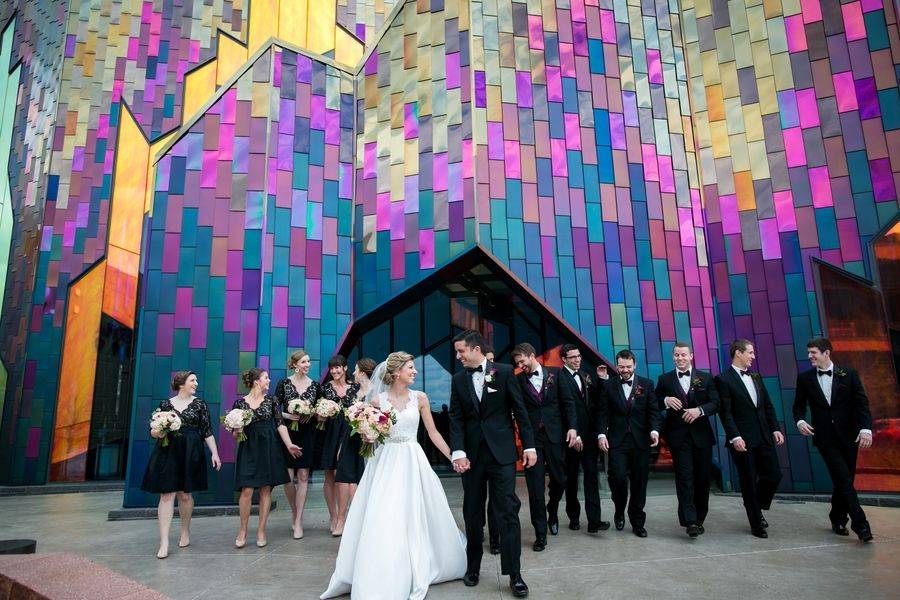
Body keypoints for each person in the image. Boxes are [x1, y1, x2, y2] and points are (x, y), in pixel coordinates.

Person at [321, 352, 466, 599]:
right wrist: (369, 434)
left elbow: (432, 433)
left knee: (416, 511)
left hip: (413, 459)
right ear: (397, 372)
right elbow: (373, 433)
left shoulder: (420, 398)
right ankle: (386, 566)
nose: (415, 372)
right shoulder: (377, 400)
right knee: (386, 512)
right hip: (385, 462)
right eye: (411, 368)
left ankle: (418, 562)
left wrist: (453, 455)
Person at [449, 330, 536, 598]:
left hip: (502, 456)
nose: (458, 356)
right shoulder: (458, 380)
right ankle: (472, 566)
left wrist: (530, 446)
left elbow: (520, 410)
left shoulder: (505, 371)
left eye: (461, 351)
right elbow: (456, 418)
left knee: (507, 513)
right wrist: (458, 452)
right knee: (472, 514)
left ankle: (515, 574)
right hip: (472, 459)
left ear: (475, 349)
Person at [793, 337, 874, 542]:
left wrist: (866, 429)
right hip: (825, 438)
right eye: (809, 352)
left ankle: (837, 517)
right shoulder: (805, 378)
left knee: (844, 480)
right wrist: (801, 422)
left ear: (826, 353)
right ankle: (860, 524)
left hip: (850, 436)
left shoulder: (849, 374)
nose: (809, 356)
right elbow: (798, 407)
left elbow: (861, 403)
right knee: (843, 478)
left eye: (813, 353)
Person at [141, 371, 221, 559]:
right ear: (181, 383)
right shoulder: (165, 404)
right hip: (168, 451)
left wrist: (215, 453)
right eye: (193, 380)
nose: (196, 383)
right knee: (167, 494)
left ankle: (185, 530)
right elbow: (154, 431)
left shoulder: (200, 405)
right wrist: (158, 432)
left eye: (196, 380)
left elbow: (207, 431)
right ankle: (164, 542)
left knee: (185, 495)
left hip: (191, 451)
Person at [511, 342, 578, 550]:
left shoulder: (556, 374)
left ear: (532, 356)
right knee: (535, 488)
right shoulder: (518, 381)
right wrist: (526, 443)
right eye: (517, 363)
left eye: (522, 361)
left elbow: (568, 403)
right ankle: (540, 534)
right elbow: (520, 411)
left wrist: (573, 427)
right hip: (532, 441)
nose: (520, 365)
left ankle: (553, 507)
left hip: (555, 436)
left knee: (560, 480)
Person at [715, 340, 784, 538]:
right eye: (751, 353)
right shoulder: (723, 379)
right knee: (748, 480)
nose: (753, 356)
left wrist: (775, 428)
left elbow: (767, 406)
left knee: (774, 474)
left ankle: (756, 504)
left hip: (764, 436)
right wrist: (734, 436)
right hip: (742, 440)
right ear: (738, 353)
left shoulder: (756, 376)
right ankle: (756, 522)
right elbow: (725, 413)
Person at [654, 342, 719, 537]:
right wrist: (664, 401)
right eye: (676, 355)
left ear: (691, 356)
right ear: (672, 357)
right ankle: (689, 521)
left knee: (702, 479)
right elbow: (654, 402)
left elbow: (715, 403)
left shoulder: (705, 378)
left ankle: (699, 518)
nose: (680, 358)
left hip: (702, 437)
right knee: (684, 478)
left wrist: (699, 411)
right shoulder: (664, 379)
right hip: (678, 437)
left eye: (683, 355)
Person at [232, 368, 302, 548]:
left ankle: (262, 530)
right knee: (246, 490)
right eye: (266, 378)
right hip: (249, 448)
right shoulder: (239, 404)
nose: (269, 381)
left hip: (269, 446)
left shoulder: (271, 400)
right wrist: (236, 430)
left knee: (265, 490)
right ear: (257, 381)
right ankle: (243, 530)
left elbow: (280, 424)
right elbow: (235, 434)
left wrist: (289, 445)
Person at [596, 349, 660, 537]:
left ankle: (637, 521)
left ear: (635, 365)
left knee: (640, 483)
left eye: (628, 367)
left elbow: (653, 412)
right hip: (617, 441)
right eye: (621, 367)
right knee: (618, 477)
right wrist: (601, 434)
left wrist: (654, 430)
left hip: (641, 441)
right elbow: (602, 412)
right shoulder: (609, 386)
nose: (624, 370)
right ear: (616, 366)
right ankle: (619, 509)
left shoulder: (647, 385)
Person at [557, 344, 608, 533]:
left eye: (578, 356)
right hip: (570, 437)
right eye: (572, 357)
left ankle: (594, 521)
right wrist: (574, 432)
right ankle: (574, 517)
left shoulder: (586, 375)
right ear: (564, 359)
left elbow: (597, 400)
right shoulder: (559, 377)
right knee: (571, 479)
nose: (577, 360)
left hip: (589, 435)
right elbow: (562, 409)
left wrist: (602, 380)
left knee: (591, 476)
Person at [273, 350, 320, 539]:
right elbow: (275, 408)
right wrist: (288, 415)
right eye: (303, 362)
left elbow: (318, 410)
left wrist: (312, 412)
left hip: (307, 433)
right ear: (294, 364)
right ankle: (294, 511)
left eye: (309, 361)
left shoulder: (315, 386)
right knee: (287, 477)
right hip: (287, 433)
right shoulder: (283, 384)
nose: (307, 364)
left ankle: (298, 520)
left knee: (303, 475)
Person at [333, 357, 376, 536]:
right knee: (344, 478)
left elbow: (379, 419)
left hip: (367, 441)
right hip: (349, 440)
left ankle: (360, 521)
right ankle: (342, 520)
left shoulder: (376, 393)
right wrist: (341, 445)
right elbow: (347, 420)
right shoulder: (354, 392)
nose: (353, 373)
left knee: (359, 481)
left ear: (363, 373)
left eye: (356, 370)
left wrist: (370, 433)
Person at [317, 355, 354, 535]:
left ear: (345, 368)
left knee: (342, 475)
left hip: (348, 434)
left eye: (338, 367)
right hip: (329, 434)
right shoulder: (324, 389)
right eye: (332, 368)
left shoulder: (355, 388)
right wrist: (322, 414)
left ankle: (342, 517)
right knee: (329, 474)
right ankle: (332, 516)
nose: (335, 371)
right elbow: (317, 414)